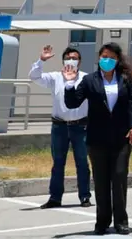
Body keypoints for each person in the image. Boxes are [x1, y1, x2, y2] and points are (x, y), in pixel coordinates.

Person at [63, 43, 132, 235]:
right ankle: (102, 221)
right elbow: (72, 102)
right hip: (97, 138)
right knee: (101, 181)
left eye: (112, 57)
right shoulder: (89, 80)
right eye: (104, 56)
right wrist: (69, 83)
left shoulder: (125, 79)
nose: (107, 60)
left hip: (121, 138)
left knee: (119, 177)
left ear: (117, 60)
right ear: (99, 58)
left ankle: (121, 221)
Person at [30, 45, 92, 209]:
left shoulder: (86, 78)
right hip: (60, 126)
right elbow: (34, 76)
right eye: (68, 58)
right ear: (63, 60)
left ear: (80, 61)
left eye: (75, 58)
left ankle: (85, 196)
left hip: (80, 126)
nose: (71, 61)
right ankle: (55, 198)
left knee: (82, 162)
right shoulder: (55, 77)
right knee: (58, 163)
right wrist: (41, 60)